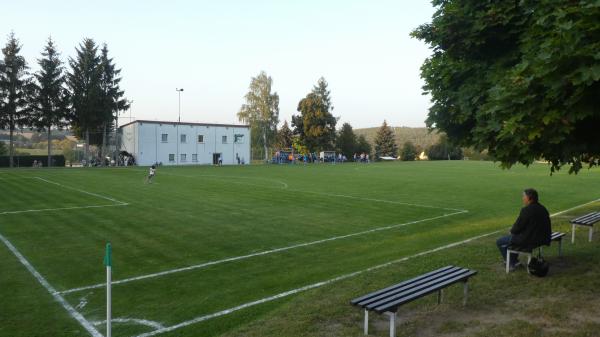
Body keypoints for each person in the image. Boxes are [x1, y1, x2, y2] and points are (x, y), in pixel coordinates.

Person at [496, 188, 552, 270]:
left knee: (500, 241)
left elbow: (517, 228)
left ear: (529, 198)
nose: (522, 198)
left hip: (530, 240)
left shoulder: (526, 210)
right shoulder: (542, 208)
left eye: (524, 196)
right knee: (513, 238)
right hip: (542, 238)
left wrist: (512, 231)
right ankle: (514, 261)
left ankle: (511, 263)